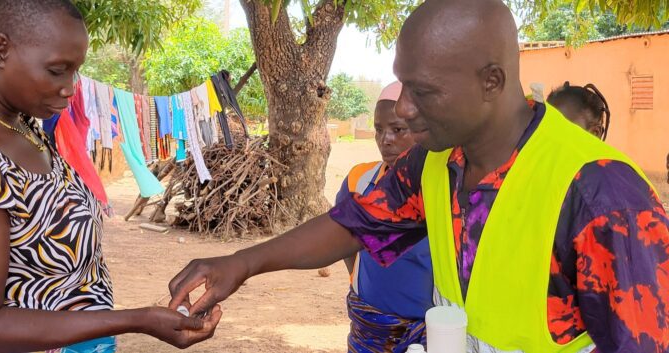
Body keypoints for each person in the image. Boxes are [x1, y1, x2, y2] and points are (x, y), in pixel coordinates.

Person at [168, 0, 669, 352]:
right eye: (403, 82)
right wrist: (241, 262)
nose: (402, 109)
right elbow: (354, 223)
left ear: (491, 82)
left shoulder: (603, 194)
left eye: (422, 90)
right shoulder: (438, 161)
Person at [0, 1, 220, 352]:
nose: (70, 88)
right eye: (57, 70)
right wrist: (138, 319)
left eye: (75, 71)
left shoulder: (21, 128)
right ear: (0, 49)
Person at [337, 82, 432, 352]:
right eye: (379, 129)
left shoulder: (441, 189)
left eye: (398, 130)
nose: (385, 139)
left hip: (425, 332)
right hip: (369, 328)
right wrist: (359, 282)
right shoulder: (359, 181)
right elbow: (345, 243)